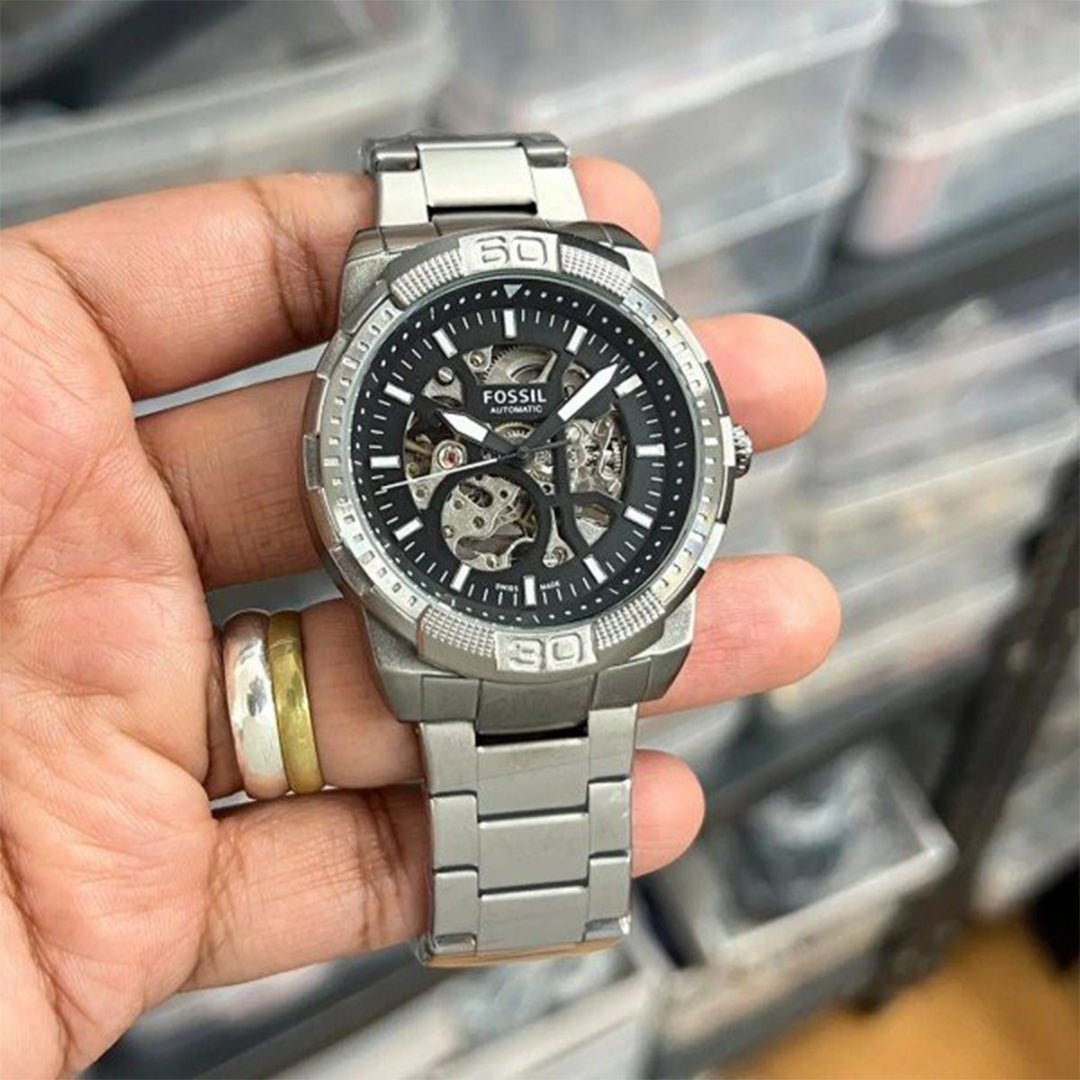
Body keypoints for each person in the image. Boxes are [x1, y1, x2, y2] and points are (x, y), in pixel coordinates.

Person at [0, 159, 839, 1077]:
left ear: (718, 451)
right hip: (461, 612)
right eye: (481, 454)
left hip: (572, 606)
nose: (512, 462)